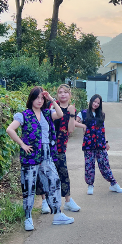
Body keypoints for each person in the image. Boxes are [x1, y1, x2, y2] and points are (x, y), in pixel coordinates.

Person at [6, 87, 75, 231]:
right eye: (37, 97)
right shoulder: (24, 115)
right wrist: (22, 144)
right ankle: (28, 218)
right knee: (29, 187)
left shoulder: (47, 113)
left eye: (41, 98)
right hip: (30, 155)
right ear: (31, 99)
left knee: (54, 182)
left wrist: (50, 99)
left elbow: (61, 114)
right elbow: (10, 129)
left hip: (47, 154)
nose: (39, 100)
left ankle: (57, 214)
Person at [36, 84, 80, 214]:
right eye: (60, 92)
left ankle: (67, 201)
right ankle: (44, 202)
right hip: (46, 145)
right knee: (43, 174)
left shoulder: (72, 109)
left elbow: (71, 130)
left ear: (69, 95)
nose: (62, 94)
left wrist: (72, 114)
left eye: (65, 92)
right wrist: (52, 101)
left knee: (63, 173)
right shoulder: (51, 107)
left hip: (61, 146)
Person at [75, 94, 122, 195]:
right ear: (91, 101)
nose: (96, 104)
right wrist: (83, 125)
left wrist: (106, 142)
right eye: (94, 102)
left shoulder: (101, 114)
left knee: (105, 165)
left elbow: (103, 130)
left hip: (100, 144)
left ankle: (113, 184)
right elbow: (74, 123)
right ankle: (90, 185)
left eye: (98, 103)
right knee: (89, 165)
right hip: (89, 144)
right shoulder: (83, 113)